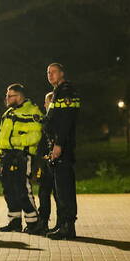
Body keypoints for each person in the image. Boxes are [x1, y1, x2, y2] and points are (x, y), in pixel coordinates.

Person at [0, 84, 43, 233]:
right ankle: (14, 222)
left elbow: (36, 136)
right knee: (9, 190)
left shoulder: (32, 111)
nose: (6, 98)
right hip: (7, 157)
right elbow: (2, 140)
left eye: (9, 96)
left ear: (18, 96)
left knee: (22, 189)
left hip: (23, 156)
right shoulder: (8, 114)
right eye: (6, 96)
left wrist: (15, 142)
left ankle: (34, 223)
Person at [44, 63, 80, 240]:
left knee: (64, 188)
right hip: (58, 145)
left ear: (62, 73)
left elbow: (65, 121)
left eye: (54, 72)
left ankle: (68, 226)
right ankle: (62, 223)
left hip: (62, 146)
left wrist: (58, 144)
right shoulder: (58, 91)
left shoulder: (66, 91)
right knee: (59, 188)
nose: (50, 75)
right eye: (48, 72)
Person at [27, 91, 55, 235]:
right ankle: (43, 221)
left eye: (47, 101)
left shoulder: (53, 119)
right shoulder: (45, 119)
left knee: (53, 193)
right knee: (44, 192)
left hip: (52, 161)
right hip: (45, 161)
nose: (44, 104)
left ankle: (59, 223)